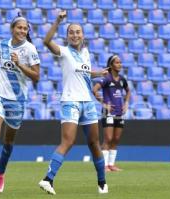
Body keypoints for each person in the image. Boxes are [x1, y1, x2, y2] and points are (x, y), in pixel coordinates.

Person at [38, 11, 109, 195]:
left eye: (78, 32)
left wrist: (97, 73)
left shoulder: (85, 52)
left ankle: (102, 182)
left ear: (83, 35)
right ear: (67, 35)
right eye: (71, 32)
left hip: (88, 103)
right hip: (70, 102)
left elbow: (82, 72)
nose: (75, 35)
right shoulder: (64, 52)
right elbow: (46, 42)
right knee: (68, 141)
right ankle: (48, 179)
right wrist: (58, 21)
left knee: (94, 143)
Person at [0, 13, 40, 194]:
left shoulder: (30, 49)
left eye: (25, 28)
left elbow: (36, 77)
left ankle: (0, 174)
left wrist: (20, 64)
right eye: (19, 27)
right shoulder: (3, 44)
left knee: (9, 141)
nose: (22, 30)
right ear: (12, 29)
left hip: (17, 100)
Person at [93, 55, 131, 172]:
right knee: (108, 138)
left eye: (120, 62)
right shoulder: (106, 79)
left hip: (119, 112)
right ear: (111, 65)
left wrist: (126, 103)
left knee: (116, 138)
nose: (120, 64)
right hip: (108, 112)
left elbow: (128, 91)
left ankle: (111, 165)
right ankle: (103, 166)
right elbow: (94, 90)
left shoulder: (122, 79)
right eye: (117, 62)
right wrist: (103, 103)